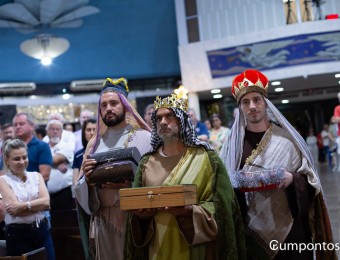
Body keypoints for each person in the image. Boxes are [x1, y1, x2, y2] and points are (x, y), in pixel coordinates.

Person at [220, 69, 335, 259]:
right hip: (251, 234)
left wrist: (293, 178)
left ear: (265, 102)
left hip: (289, 230)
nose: (252, 106)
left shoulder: (288, 140)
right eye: (245, 102)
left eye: (257, 99)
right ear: (240, 107)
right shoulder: (232, 145)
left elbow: (311, 180)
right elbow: (224, 186)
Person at [124, 94, 246, 259]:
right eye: (158, 118)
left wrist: (191, 212)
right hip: (158, 247)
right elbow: (137, 207)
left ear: (182, 120)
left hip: (197, 248)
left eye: (170, 116)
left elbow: (224, 206)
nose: (163, 122)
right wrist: (141, 217)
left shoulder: (207, 157)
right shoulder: (146, 162)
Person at [74, 77, 152, 260]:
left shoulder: (145, 138)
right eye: (103, 105)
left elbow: (158, 180)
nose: (108, 108)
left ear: (125, 105)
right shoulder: (94, 143)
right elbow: (79, 189)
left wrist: (129, 186)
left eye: (114, 103)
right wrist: (88, 179)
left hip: (135, 219)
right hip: (103, 223)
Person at [0, 139, 55, 259]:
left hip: (42, 230)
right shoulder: (2, 180)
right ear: (7, 160)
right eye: (16, 159)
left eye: (24, 157)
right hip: (18, 234)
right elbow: (13, 209)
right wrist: (38, 205)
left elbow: (46, 202)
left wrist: (22, 206)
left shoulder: (37, 176)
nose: (22, 162)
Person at [72, 118, 96, 260]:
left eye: (94, 129)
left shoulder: (103, 149)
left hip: (100, 198)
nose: (91, 132)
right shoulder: (78, 154)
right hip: (83, 198)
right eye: (88, 129)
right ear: (83, 133)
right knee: (87, 239)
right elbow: (75, 181)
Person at [13, 113, 52, 182]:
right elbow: (2, 172)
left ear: (31, 126)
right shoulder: (10, 147)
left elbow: (45, 175)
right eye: (15, 125)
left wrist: (22, 187)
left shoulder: (42, 146)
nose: (17, 127)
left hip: (35, 190)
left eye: (21, 124)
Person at [45, 119, 74, 210]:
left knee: (65, 222)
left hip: (63, 193)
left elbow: (54, 160)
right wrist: (57, 166)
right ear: (47, 131)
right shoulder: (43, 146)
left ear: (61, 132)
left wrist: (52, 163)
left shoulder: (67, 146)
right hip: (45, 194)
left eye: (58, 129)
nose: (55, 131)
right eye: (52, 129)